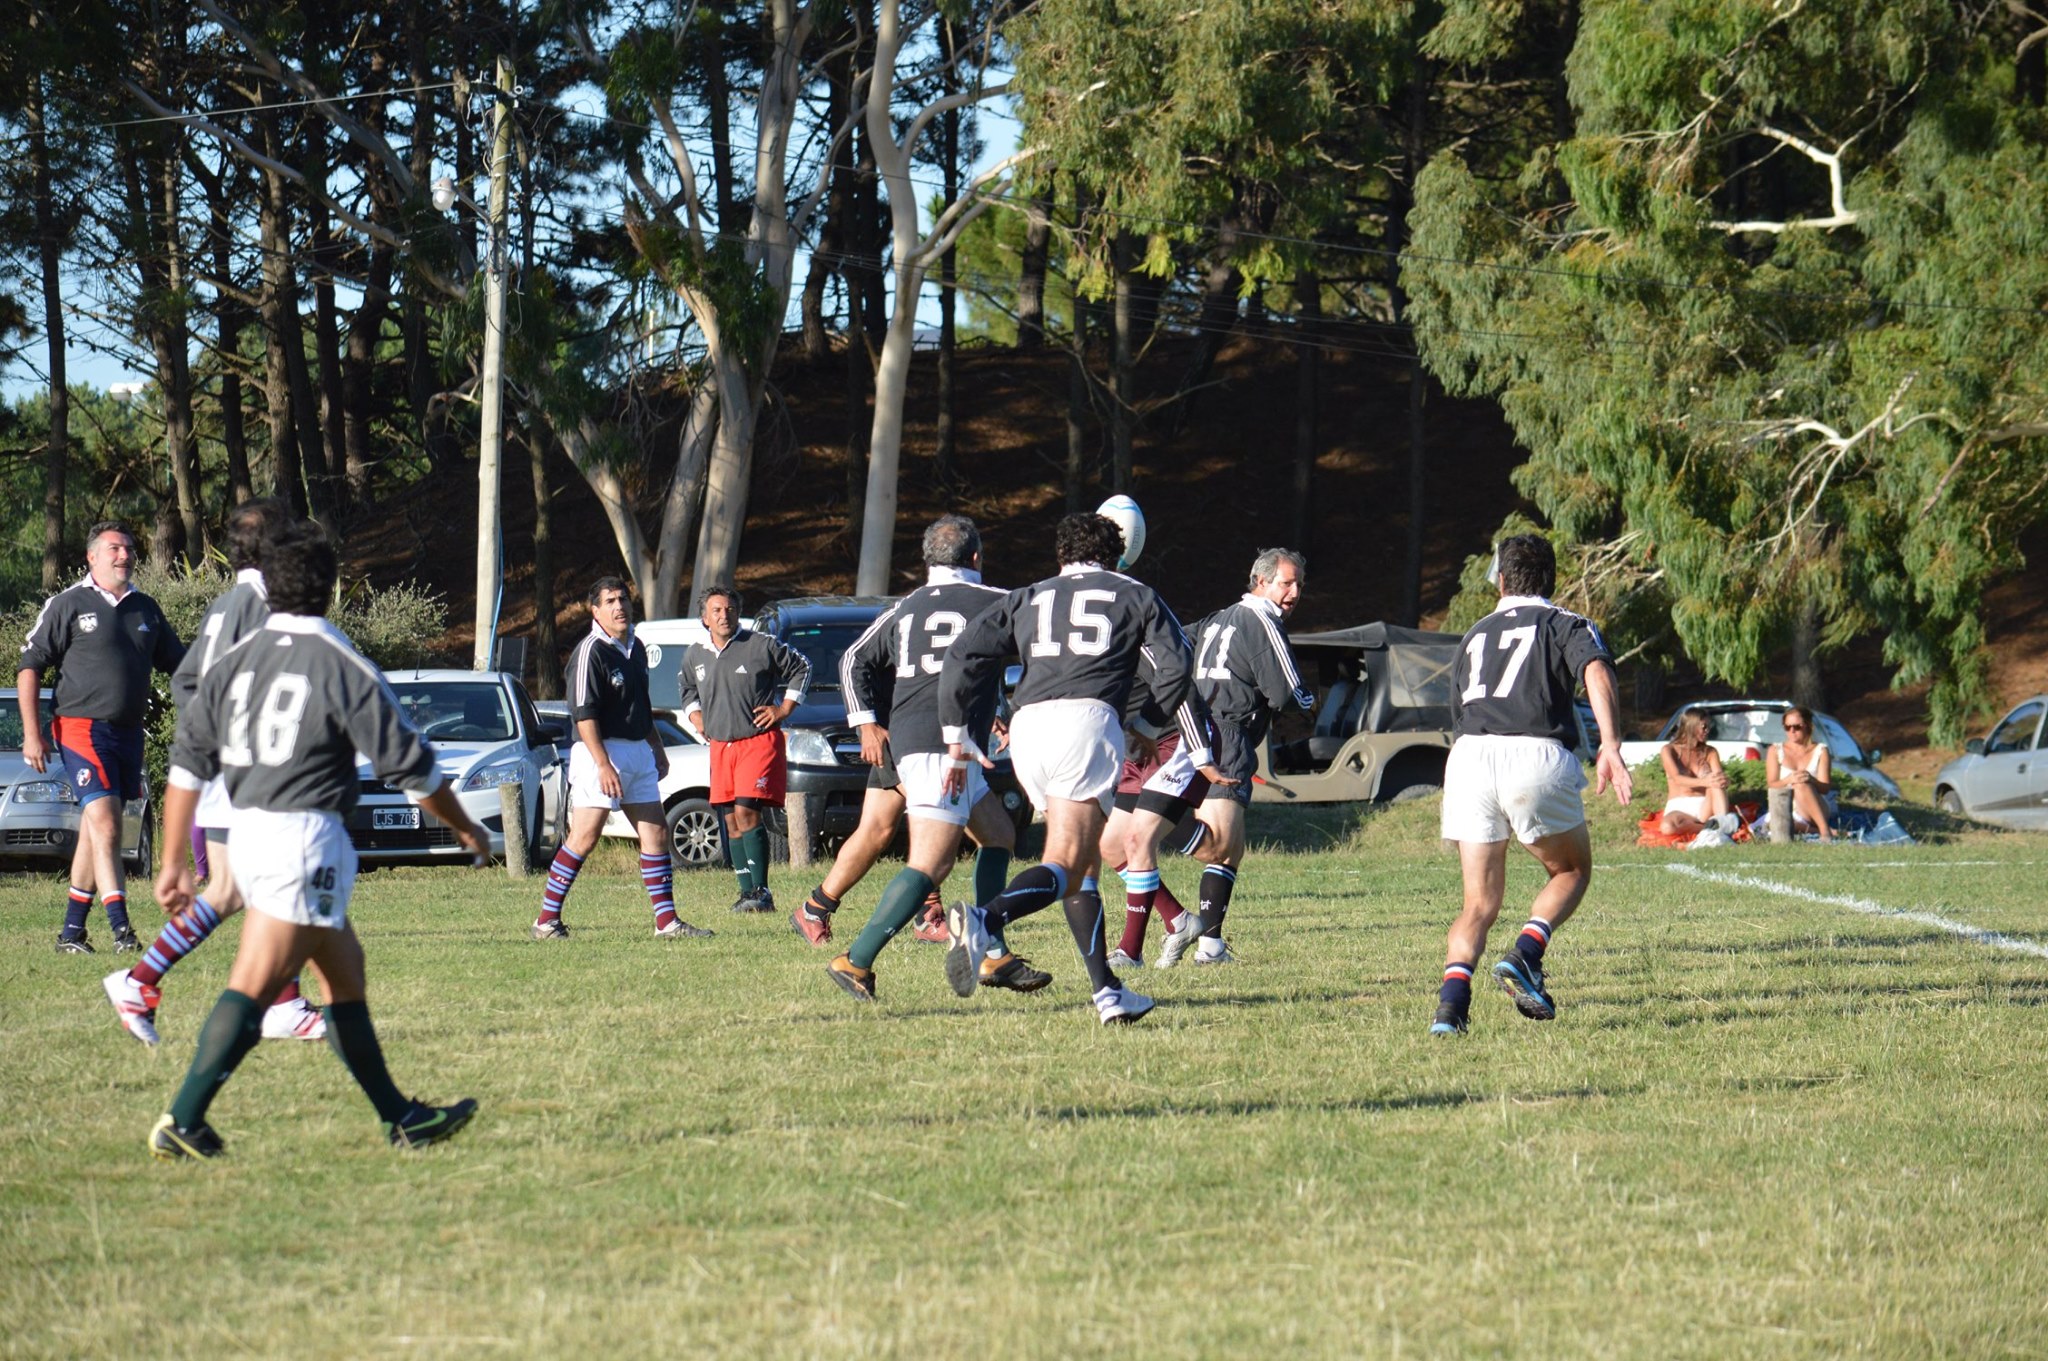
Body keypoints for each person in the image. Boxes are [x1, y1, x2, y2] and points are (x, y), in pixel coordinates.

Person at [147, 522, 486, 1159]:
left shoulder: (234, 660)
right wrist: (464, 826)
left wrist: (171, 859)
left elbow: (187, 765)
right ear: (330, 588)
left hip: (248, 831)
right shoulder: (337, 659)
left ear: (269, 586)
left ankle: (401, 1116)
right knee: (253, 984)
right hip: (301, 839)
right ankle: (183, 1118)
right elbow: (412, 770)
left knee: (344, 975)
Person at [938, 511, 1196, 1025]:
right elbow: (1178, 664)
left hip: (1030, 726)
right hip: (1088, 720)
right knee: (1066, 862)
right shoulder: (1135, 591)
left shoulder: (1029, 595)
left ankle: (1108, 992)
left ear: (1061, 556)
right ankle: (985, 921)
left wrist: (956, 735)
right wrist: (1145, 723)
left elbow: (963, 653)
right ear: (1114, 553)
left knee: (1081, 873)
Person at [101, 499, 328, 1047]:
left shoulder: (229, 602)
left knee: (231, 890)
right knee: (281, 882)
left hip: (225, 771)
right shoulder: (265, 604)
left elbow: (186, 682)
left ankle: (142, 979)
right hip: (244, 773)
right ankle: (282, 1003)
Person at [816, 515, 1038, 999]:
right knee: (930, 865)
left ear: (927, 561)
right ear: (976, 558)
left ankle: (993, 953)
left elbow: (853, 657)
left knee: (998, 835)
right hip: (943, 747)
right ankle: (855, 961)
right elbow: (1033, 658)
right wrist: (1015, 712)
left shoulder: (908, 605)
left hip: (924, 738)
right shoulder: (997, 600)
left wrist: (865, 720)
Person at [1432, 533, 1631, 1036]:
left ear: (1501, 580)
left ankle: (1450, 1012)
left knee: (1477, 903)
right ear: (1552, 578)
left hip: (1470, 757)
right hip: (1533, 753)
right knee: (1570, 871)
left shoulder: (1474, 633)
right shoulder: (1566, 622)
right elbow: (1596, 671)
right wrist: (1610, 744)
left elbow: (1459, 708)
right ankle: (1525, 953)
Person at [18, 520, 186, 955]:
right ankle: (122, 932)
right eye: (114, 548)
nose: (124, 555)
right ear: (92, 556)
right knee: (108, 823)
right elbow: (30, 666)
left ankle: (71, 933)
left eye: (129, 548)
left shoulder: (145, 609)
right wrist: (32, 734)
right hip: (80, 727)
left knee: (97, 831)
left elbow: (181, 664)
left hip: (129, 733)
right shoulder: (69, 603)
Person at [532, 576, 714, 941]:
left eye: (624, 599)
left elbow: (641, 706)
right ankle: (546, 921)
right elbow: (584, 715)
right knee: (585, 837)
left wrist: (657, 747)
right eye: (610, 601)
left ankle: (667, 923)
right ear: (594, 610)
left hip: (638, 752)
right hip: (601, 751)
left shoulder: (637, 647)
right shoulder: (590, 651)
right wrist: (602, 764)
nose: (619, 607)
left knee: (657, 833)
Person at [1160, 546, 1315, 966]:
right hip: (1227, 737)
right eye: (1286, 582)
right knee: (1217, 846)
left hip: (1193, 729)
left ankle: (1211, 946)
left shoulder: (1216, 618)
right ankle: (1155, 822)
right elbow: (1285, 691)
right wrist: (1308, 699)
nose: (1294, 591)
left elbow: (1172, 644)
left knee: (1232, 849)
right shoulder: (1263, 620)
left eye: (1298, 583)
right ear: (1261, 582)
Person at [676, 586, 811, 914]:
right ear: (704, 618)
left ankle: (762, 891)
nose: (725, 615)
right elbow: (686, 689)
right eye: (717, 611)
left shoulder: (760, 645)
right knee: (731, 820)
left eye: (730, 609)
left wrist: (783, 710)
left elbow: (802, 668)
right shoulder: (695, 654)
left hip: (757, 742)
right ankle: (746, 892)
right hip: (721, 747)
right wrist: (696, 717)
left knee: (748, 812)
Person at [1658, 710, 1736, 837]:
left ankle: (1721, 820)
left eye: (1708, 727)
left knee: (1715, 781)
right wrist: (1705, 781)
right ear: (1691, 726)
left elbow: (1718, 778)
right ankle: (1710, 828)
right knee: (1667, 827)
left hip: (1705, 805)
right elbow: (1677, 778)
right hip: (1679, 807)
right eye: (1704, 727)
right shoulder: (1669, 750)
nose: (1707, 731)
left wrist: (1725, 781)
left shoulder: (1710, 752)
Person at [1766, 705, 1835, 840]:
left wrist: (1811, 780)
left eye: (1797, 727)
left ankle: (1824, 831)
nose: (1792, 731)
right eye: (1787, 727)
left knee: (1801, 784)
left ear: (1808, 726)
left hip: (1816, 806)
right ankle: (1828, 832)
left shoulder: (1821, 750)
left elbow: (1825, 788)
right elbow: (1771, 784)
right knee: (1771, 824)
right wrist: (1788, 780)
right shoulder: (1775, 750)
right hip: (1789, 806)